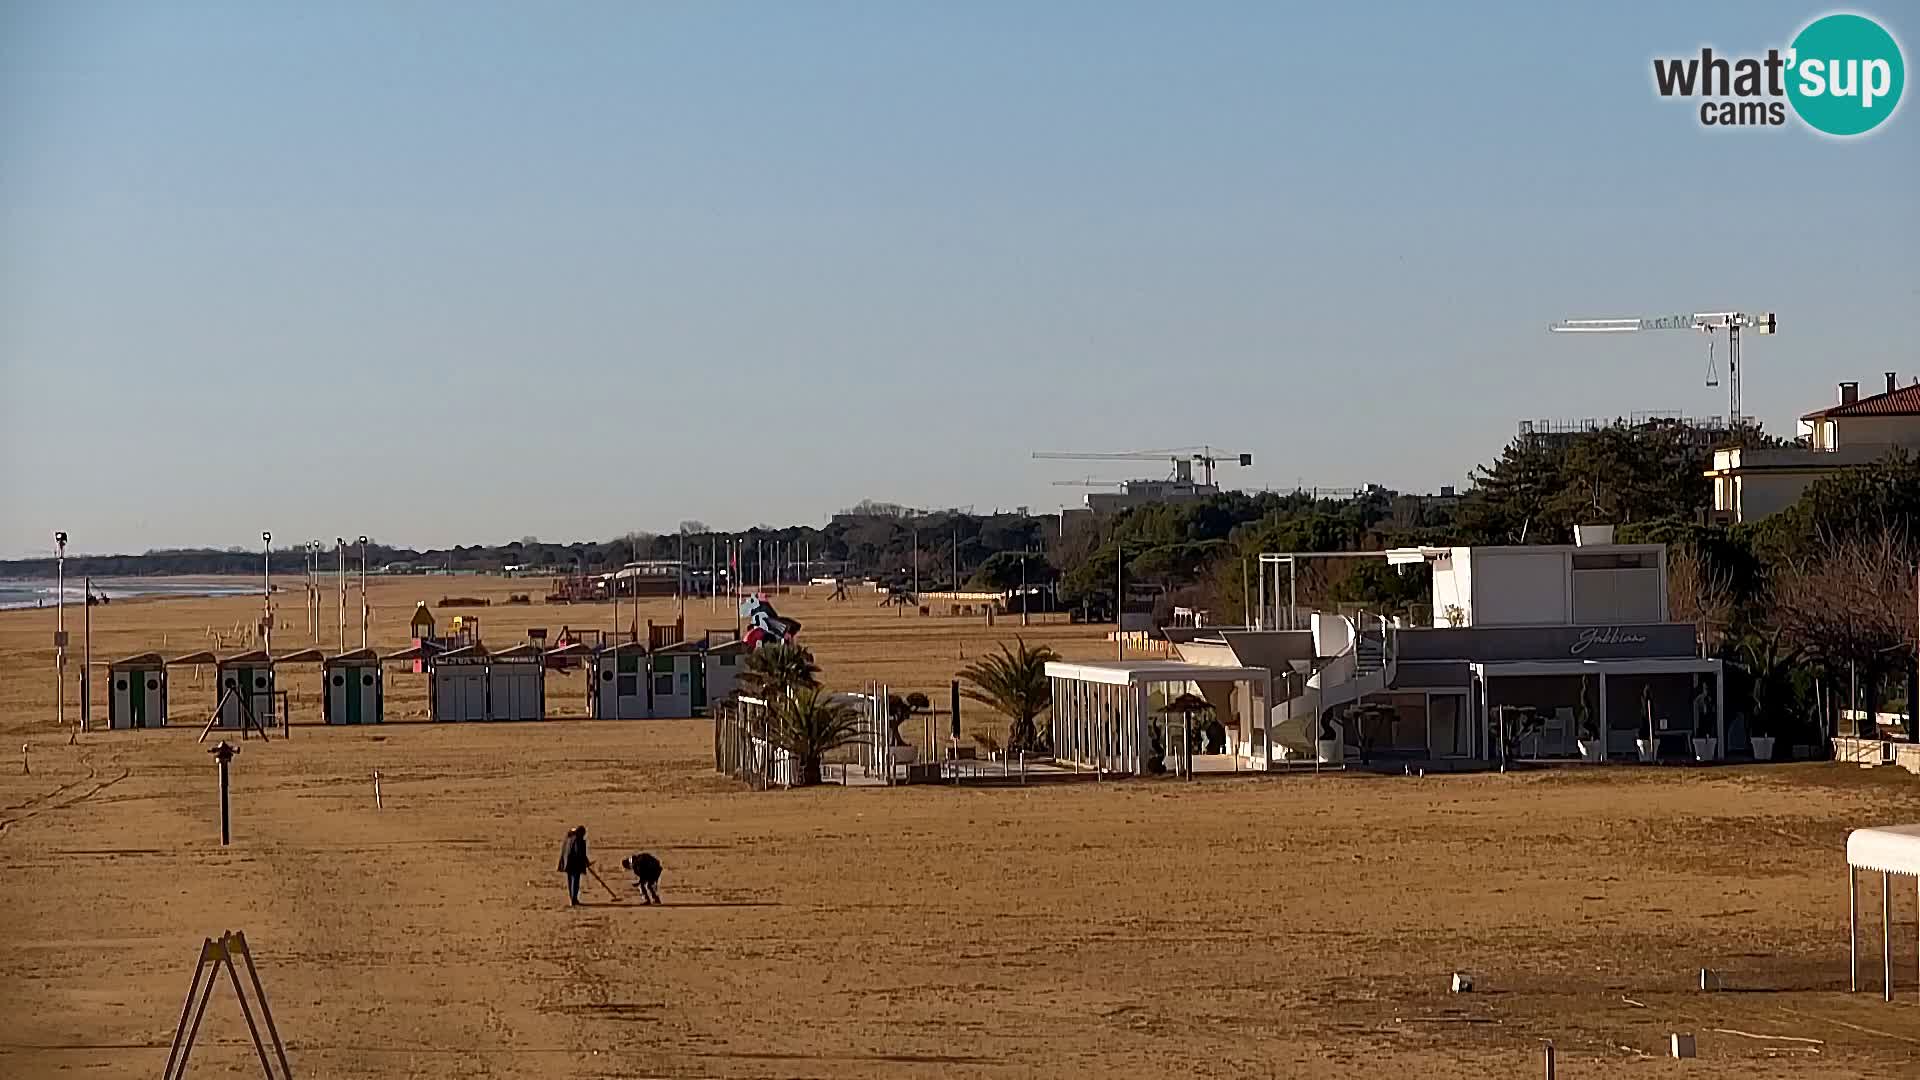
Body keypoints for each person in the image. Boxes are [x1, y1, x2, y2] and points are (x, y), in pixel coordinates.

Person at [557, 825, 591, 906]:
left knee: (570, 881)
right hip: (575, 864)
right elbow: (578, 852)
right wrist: (585, 861)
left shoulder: (568, 838)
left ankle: (572, 899)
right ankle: (574, 899)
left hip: (568, 863)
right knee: (575, 882)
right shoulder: (578, 839)